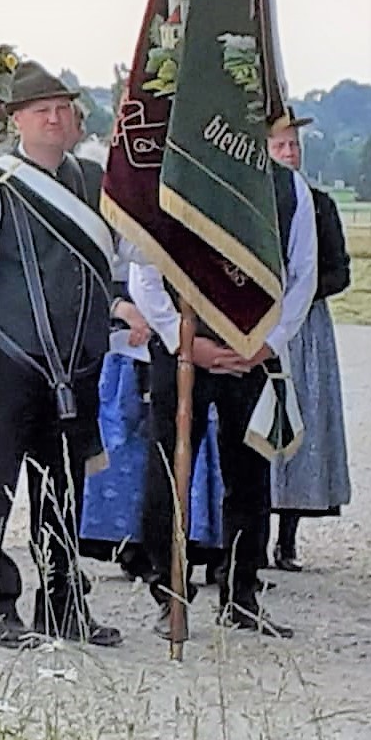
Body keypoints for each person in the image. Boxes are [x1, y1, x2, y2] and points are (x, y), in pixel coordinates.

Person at [0, 62, 121, 648]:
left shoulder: (93, 183)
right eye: (41, 109)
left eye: (63, 108)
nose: (54, 117)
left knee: (64, 492)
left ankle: (64, 604)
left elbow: (118, 264)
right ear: (16, 119)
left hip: (74, 367)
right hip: (4, 361)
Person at [130, 116, 317, 639]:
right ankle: (168, 590)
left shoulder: (287, 186)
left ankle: (242, 590)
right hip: (185, 349)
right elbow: (146, 268)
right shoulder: (174, 175)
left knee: (250, 472)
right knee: (169, 468)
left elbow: (302, 271)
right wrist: (184, 341)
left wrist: (267, 343)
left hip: (252, 349)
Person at [267, 113, 350, 572]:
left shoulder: (319, 205)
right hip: (255, 323)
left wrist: (299, 290)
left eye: (294, 146)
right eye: (281, 146)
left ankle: (288, 537)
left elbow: (340, 272)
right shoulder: (251, 203)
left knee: (300, 427)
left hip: (306, 328)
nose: (290, 153)